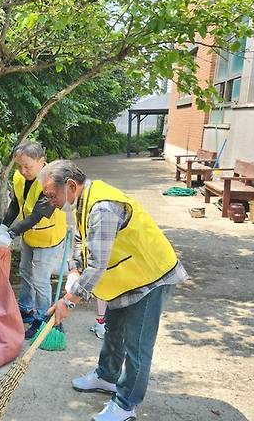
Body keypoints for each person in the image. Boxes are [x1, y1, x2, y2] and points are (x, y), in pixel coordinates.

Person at [40, 160, 188, 421]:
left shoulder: (103, 208)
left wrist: (69, 301)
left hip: (149, 278)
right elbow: (79, 238)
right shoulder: (81, 202)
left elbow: (97, 266)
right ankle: (107, 376)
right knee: (113, 329)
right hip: (125, 279)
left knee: (137, 345)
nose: (50, 200)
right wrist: (74, 269)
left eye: (52, 194)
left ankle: (126, 404)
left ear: (71, 186)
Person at [0, 141, 67, 339]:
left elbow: (36, 216)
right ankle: (25, 308)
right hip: (29, 235)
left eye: (28, 166)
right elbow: (16, 204)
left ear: (41, 162)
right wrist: (3, 225)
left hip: (48, 236)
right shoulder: (19, 177)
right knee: (25, 271)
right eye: (19, 166)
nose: (23, 171)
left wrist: (10, 234)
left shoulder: (53, 184)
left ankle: (42, 318)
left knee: (41, 280)